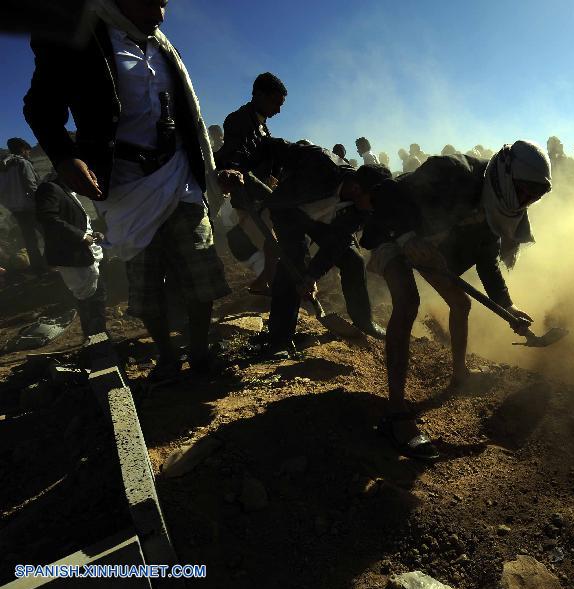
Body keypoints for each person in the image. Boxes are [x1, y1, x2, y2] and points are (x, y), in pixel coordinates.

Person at [24, 0, 239, 383]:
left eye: (165, 1)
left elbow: (190, 116)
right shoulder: (76, 33)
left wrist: (208, 169)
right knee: (146, 283)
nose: (160, 11)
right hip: (125, 184)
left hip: (178, 174)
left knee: (200, 272)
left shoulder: (161, 45)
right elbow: (40, 105)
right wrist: (64, 157)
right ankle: (169, 358)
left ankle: (201, 352)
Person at [359, 141, 552, 459]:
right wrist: (407, 237)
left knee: (461, 303)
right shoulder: (452, 172)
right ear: (506, 175)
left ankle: (459, 373)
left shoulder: (497, 205)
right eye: (524, 191)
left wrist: (508, 306)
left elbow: (487, 260)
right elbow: (385, 194)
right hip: (390, 231)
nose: (526, 201)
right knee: (408, 303)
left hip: (426, 244)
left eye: (534, 196)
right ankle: (395, 413)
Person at [232, 140, 388, 350]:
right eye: (374, 201)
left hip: (321, 222)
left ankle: (363, 320)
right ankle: (279, 338)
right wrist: (244, 172)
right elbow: (271, 146)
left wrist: (312, 275)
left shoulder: (361, 210)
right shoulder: (320, 162)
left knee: (353, 260)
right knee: (293, 262)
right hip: (288, 210)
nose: (374, 208)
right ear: (357, 188)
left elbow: (337, 242)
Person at [217, 72, 288, 296]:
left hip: (262, 197)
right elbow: (236, 161)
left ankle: (267, 282)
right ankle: (272, 286)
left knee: (276, 243)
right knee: (273, 243)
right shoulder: (239, 120)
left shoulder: (262, 125)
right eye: (275, 102)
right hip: (248, 198)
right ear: (259, 95)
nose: (278, 110)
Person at [35, 179, 107, 338]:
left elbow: (75, 221)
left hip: (83, 254)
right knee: (90, 300)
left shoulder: (68, 191)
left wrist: (92, 234)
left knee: (95, 298)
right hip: (73, 257)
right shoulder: (50, 188)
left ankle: (98, 340)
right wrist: (81, 236)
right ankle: (98, 343)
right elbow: (48, 218)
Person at [0, 138, 46, 273]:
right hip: (31, 207)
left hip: (16, 210)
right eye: (28, 151)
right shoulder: (22, 163)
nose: (29, 154)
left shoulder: (3, 167)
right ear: (23, 149)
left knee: (29, 240)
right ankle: (51, 263)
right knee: (49, 234)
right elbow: (31, 186)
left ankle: (37, 268)